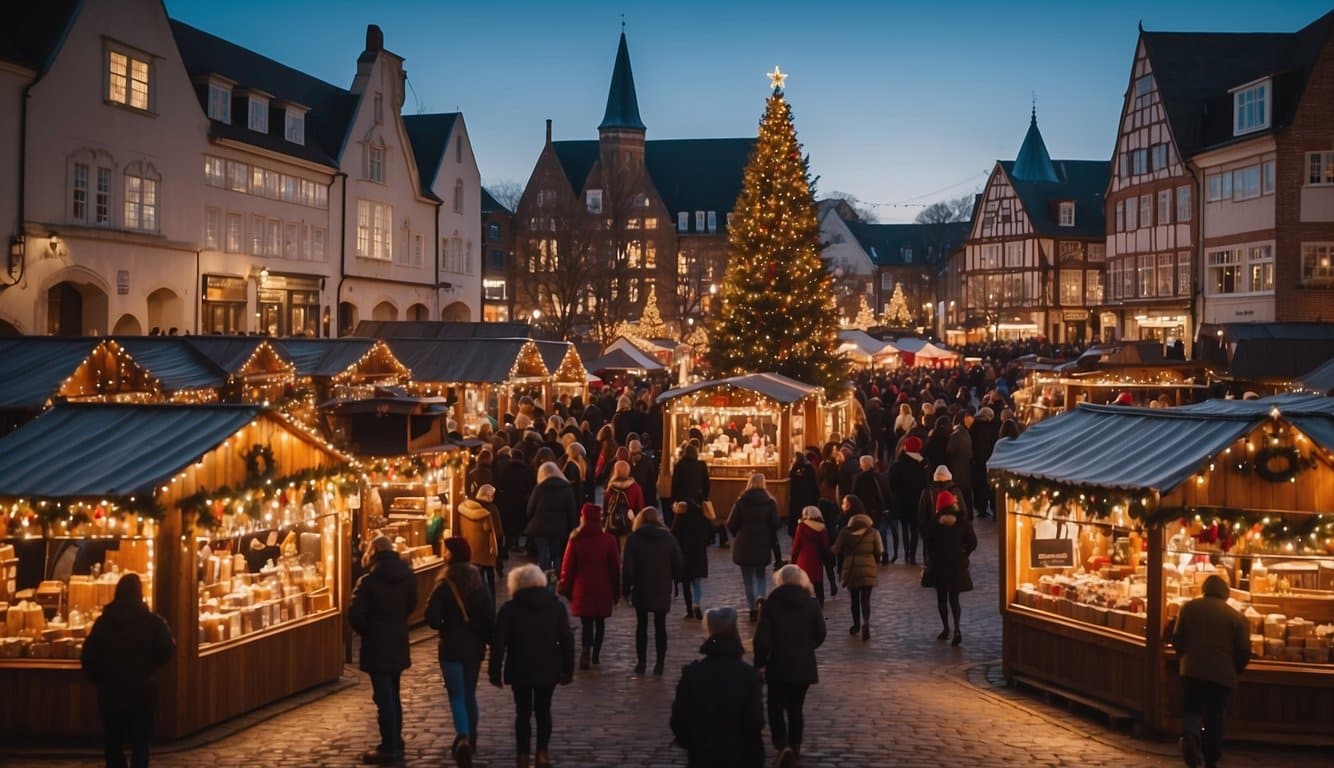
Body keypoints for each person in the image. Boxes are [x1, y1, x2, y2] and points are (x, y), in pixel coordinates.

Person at [80, 573, 175, 768]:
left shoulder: (103, 623)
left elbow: (88, 656)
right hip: (142, 691)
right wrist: (151, 668)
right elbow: (168, 649)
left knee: (113, 742)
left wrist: (100, 680)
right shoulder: (152, 622)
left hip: (111, 692)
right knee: (140, 742)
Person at [489, 564, 574, 768]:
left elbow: (499, 642)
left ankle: (523, 755)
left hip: (520, 667)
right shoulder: (555, 606)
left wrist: (495, 671)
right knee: (544, 710)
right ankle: (542, 753)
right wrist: (568, 669)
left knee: (523, 712)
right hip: (548, 666)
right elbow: (567, 639)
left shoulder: (509, 609)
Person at [424, 538, 495, 768]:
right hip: (474, 649)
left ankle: (463, 737)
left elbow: (431, 617)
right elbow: (488, 618)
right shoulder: (480, 583)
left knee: (456, 696)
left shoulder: (444, 584)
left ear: (452, 555)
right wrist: (487, 639)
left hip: (451, 648)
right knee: (469, 694)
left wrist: (446, 625)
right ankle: (471, 738)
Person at [348, 534, 418, 764]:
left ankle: (389, 747)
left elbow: (355, 614)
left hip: (377, 644)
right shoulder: (407, 576)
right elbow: (411, 604)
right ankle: (394, 739)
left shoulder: (368, 581)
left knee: (384, 696)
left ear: (375, 550)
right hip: (397, 641)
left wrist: (367, 631)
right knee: (393, 693)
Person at [670, 607, 765, 768]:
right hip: (741, 755)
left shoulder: (693, 674)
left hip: (703, 755)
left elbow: (679, 720)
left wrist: (694, 743)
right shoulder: (748, 675)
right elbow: (755, 721)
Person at [1172, 574, 1250, 768]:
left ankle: (1191, 735)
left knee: (1192, 709)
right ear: (1226, 593)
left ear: (1204, 589)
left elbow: (1177, 638)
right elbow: (1243, 651)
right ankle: (1211, 757)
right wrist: (1234, 669)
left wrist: (1184, 658)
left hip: (1191, 670)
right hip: (1220, 675)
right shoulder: (1236, 617)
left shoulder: (1188, 608)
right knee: (1215, 716)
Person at [753, 565, 826, 765]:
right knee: (796, 707)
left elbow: (761, 639)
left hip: (778, 664)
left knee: (775, 707)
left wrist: (759, 663)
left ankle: (781, 743)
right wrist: (808, 647)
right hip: (803, 665)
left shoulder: (770, 604)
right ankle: (795, 745)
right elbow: (820, 633)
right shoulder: (811, 604)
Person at [622, 506, 684, 675]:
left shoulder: (634, 539)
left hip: (641, 586)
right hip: (662, 586)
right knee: (660, 626)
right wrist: (676, 581)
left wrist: (626, 589)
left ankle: (641, 662)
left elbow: (627, 568)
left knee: (641, 626)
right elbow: (678, 562)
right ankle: (659, 663)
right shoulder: (668, 538)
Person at [558, 502, 620, 671]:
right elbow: (615, 568)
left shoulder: (576, 539)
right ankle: (596, 654)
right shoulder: (608, 540)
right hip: (603, 587)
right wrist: (617, 591)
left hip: (582, 588)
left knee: (587, 623)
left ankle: (586, 649)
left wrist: (564, 586)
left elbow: (567, 567)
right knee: (600, 622)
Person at [920, 490, 977, 646]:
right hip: (957, 565)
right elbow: (973, 542)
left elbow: (927, 541)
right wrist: (965, 552)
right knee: (954, 599)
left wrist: (931, 556)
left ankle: (946, 629)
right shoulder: (962, 522)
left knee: (941, 599)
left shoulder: (934, 523)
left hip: (938, 565)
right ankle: (957, 628)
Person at [727, 473, 782, 621]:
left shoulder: (741, 502)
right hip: (763, 543)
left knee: (747, 579)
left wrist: (738, 534)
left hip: (744, 543)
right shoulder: (770, 502)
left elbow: (731, 523)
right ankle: (761, 597)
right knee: (761, 574)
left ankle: (752, 607)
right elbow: (775, 524)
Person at [832, 499, 883, 641]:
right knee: (865, 600)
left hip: (851, 567)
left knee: (854, 600)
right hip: (868, 568)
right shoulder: (873, 532)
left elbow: (836, 549)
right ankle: (866, 622)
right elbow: (879, 551)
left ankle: (856, 625)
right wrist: (874, 560)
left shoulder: (845, 532)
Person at [525, 461, 578, 576]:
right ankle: (557, 575)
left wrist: (530, 519)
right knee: (556, 553)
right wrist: (573, 526)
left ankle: (544, 575)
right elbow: (572, 510)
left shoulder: (539, 488)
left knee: (543, 552)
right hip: (559, 526)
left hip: (540, 526)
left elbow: (530, 508)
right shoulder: (566, 488)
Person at [888, 436, 929, 565]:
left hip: (902, 500)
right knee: (914, 529)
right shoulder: (922, 464)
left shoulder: (898, 464)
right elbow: (925, 484)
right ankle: (912, 555)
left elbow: (892, 482)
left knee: (904, 527)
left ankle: (906, 553)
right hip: (916, 501)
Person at [671, 499, 713, 620]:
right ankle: (697, 604)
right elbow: (710, 534)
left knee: (686, 584)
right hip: (698, 554)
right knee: (697, 583)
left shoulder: (679, 519)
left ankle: (689, 609)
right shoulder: (701, 519)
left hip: (684, 555)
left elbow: (673, 535)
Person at [457, 485, 500, 599]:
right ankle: (490, 605)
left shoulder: (464, 509)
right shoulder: (489, 511)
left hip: (469, 550)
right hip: (485, 552)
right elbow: (496, 532)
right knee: (489, 582)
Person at [670, 442, 718, 547]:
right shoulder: (701, 465)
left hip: (682, 500)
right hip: (697, 500)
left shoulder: (680, 465)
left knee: (682, 523)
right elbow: (706, 483)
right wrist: (704, 497)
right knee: (697, 522)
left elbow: (675, 484)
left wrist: (674, 499)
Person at [852, 455, 893, 564]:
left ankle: (873, 555)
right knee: (880, 533)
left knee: (867, 534)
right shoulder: (879, 477)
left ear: (862, 465)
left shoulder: (858, 478)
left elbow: (854, 495)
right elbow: (886, 492)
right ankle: (884, 554)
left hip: (865, 510)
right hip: (878, 509)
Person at [789, 506, 831, 605]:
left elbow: (796, 546)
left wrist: (793, 561)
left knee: (803, 588)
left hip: (802, 560)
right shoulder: (822, 528)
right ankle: (819, 609)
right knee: (818, 589)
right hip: (816, 561)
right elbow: (825, 545)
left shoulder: (801, 527)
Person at [603, 459, 645, 547]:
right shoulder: (635, 487)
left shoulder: (610, 487)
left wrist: (604, 523)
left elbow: (605, 508)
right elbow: (640, 508)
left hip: (612, 524)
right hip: (629, 524)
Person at [787, 451, 820, 539]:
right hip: (805, 497)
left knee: (799, 515)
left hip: (800, 497)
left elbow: (791, 476)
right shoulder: (809, 468)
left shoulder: (804, 468)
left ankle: (798, 532)